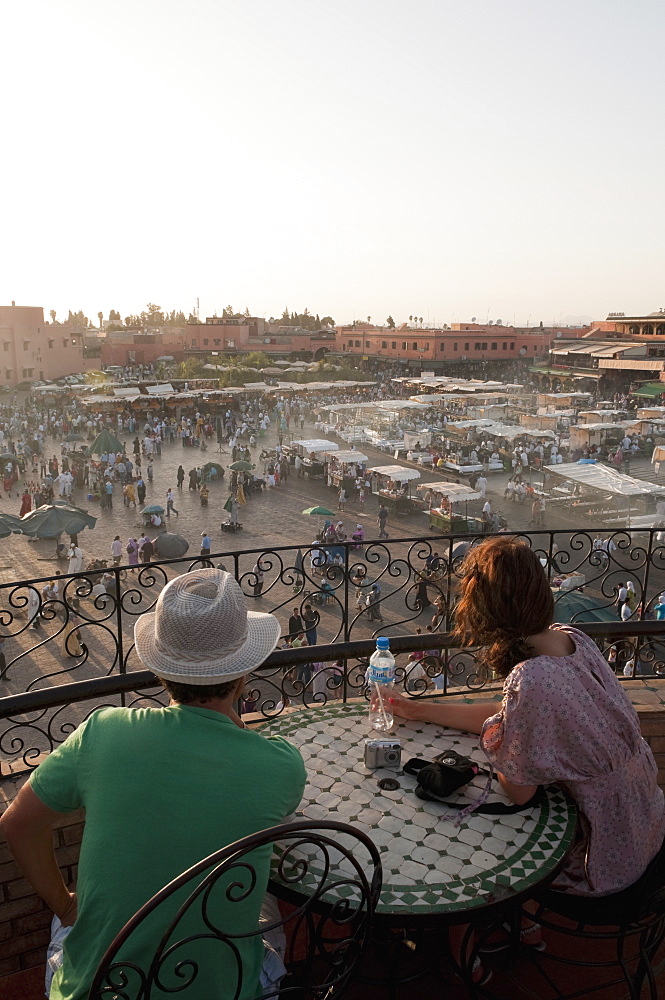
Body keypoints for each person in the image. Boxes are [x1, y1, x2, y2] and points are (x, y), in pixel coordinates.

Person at [0, 569, 306, 1000]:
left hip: (100, 989)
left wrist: (67, 906)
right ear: (244, 674)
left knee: (70, 919)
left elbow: (16, 825)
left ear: (160, 670)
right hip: (222, 990)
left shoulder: (103, 733)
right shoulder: (281, 766)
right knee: (267, 904)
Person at [391, 537, 665, 929]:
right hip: (648, 827)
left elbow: (519, 789)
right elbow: (516, 717)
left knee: (479, 841)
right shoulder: (571, 639)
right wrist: (416, 709)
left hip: (607, 865)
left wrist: (496, 745)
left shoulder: (533, 677)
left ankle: (504, 934)